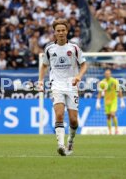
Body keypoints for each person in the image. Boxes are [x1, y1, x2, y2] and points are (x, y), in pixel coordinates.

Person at [38, 18, 87, 156]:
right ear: (54, 32)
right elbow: (44, 66)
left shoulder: (74, 48)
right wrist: (40, 81)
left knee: (73, 120)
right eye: (58, 31)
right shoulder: (49, 49)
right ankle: (61, 145)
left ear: (67, 31)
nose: (61, 33)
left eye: (63, 30)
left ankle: (71, 140)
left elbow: (84, 64)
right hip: (56, 85)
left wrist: (79, 76)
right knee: (59, 115)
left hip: (72, 86)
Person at [96, 69, 125, 135]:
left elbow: (119, 91)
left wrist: (122, 101)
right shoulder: (102, 82)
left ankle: (117, 130)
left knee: (113, 114)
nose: (107, 75)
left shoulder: (114, 81)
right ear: (104, 75)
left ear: (110, 74)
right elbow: (100, 93)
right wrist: (98, 102)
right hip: (106, 101)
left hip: (113, 100)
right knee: (108, 116)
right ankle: (110, 132)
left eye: (108, 73)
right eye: (106, 74)